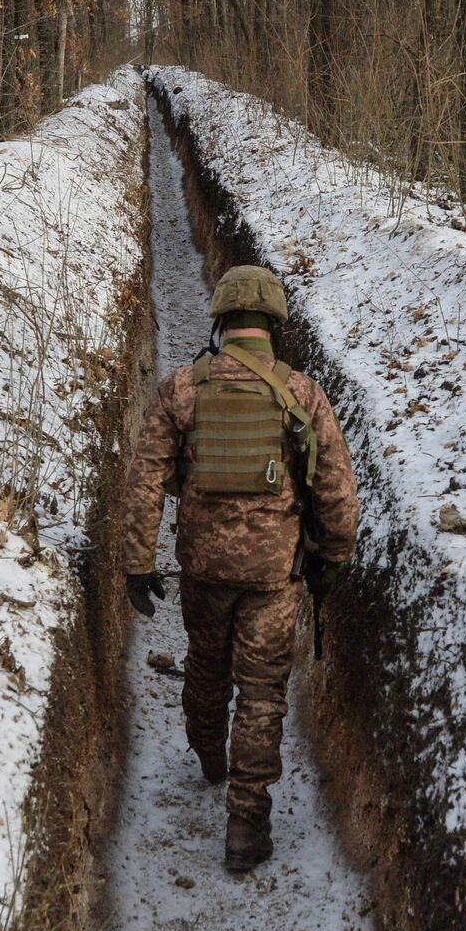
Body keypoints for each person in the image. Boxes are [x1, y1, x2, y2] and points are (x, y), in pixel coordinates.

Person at [119, 264, 361, 872]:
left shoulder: (182, 388)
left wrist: (136, 564)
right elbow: (336, 493)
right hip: (272, 576)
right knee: (261, 692)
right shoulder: (300, 394)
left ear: (221, 320)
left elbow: (145, 479)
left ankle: (208, 755)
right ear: (274, 324)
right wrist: (332, 560)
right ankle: (246, 824)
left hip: (202, 569)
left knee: (206, 665)